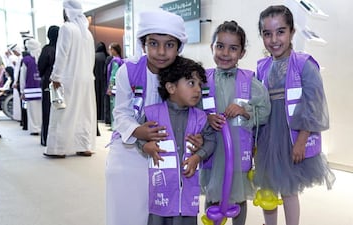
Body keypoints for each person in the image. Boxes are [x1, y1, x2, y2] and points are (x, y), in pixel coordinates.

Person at [105, 9, 202, 225]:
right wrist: (139, 133)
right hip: (129, 147)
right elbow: (120, 113)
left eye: (169, 44)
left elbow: (196, 111)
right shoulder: (127, 71)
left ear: (179, 47)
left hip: (170, 150)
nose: (160, 52)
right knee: (126, 203)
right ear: (143, 45)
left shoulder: (185, 75)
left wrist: (197, 136)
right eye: (153, 43)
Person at [254, 5, 335, 225]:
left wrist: (301, 140)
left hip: (291, 134)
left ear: (291, 32)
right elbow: (258, 102)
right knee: (268, 187)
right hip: (268, 135)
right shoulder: (262, 66)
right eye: (267, 33)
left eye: (280, 31)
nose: (274, 39)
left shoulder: (304, 64)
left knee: (289, 188)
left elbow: (312, 105)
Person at [200, 21, 271, 225]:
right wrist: (206, 118)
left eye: (233, 48)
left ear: (242, 53)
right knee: (213, 194)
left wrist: (245, 111)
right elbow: (192, 110)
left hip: (238, 150)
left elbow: (265, 111)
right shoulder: (203, 80)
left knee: (238, 195)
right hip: (213, 149)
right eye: (220, 46)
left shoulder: (249, 81)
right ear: (211, 47)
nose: (225, 53)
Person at [141, 56, 216, 225]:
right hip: (161, 191)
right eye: (191, 83)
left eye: (199, 85)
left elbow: (212, 141)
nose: (197, 89)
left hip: (188, 192)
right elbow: (138, 135)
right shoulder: (152, 114)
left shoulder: (201, 117)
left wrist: (198, 157)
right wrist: (146, 146)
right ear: (171, 87)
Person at [44, 0, 96, 158]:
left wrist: (55, 76)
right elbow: (91, 57)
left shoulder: (67, 28)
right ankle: (84, 146)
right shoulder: (87, 32)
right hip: (86, 78)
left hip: (68, 78)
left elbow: (62, 54)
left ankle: (57, 149)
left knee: (61, 112)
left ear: (67, 11)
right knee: (84, 112)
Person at [38, 25, 59, 146]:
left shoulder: (47, 49)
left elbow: (41, 66)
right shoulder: (63, 48)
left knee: (47, 109)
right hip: (63, 82)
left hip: (49, 81)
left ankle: (47, 138)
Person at [20, 38, 42, 135]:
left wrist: (22, 91)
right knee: (42, 109)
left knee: (32, 111)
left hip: (30, 89)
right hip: (41, 88)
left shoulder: (26, 60)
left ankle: (34, 129)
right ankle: (42, 127)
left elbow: (22, 77)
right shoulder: (42, 57)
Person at [105, 42, 123, 129]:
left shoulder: (115, 61)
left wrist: (110, 87)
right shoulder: (120, 60)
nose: (109, 51)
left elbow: (113, 75)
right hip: (118, 87)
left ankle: (115, 126)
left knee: (114, 106)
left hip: (114, 88)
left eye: (110, 49)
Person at [94, 41, 109, 123]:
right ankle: (103, 115)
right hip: (104, 80)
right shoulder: (107, 56)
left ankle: (97, 115)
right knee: (103, 98)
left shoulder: (94, 56)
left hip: (95, 80)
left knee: (96, 97)